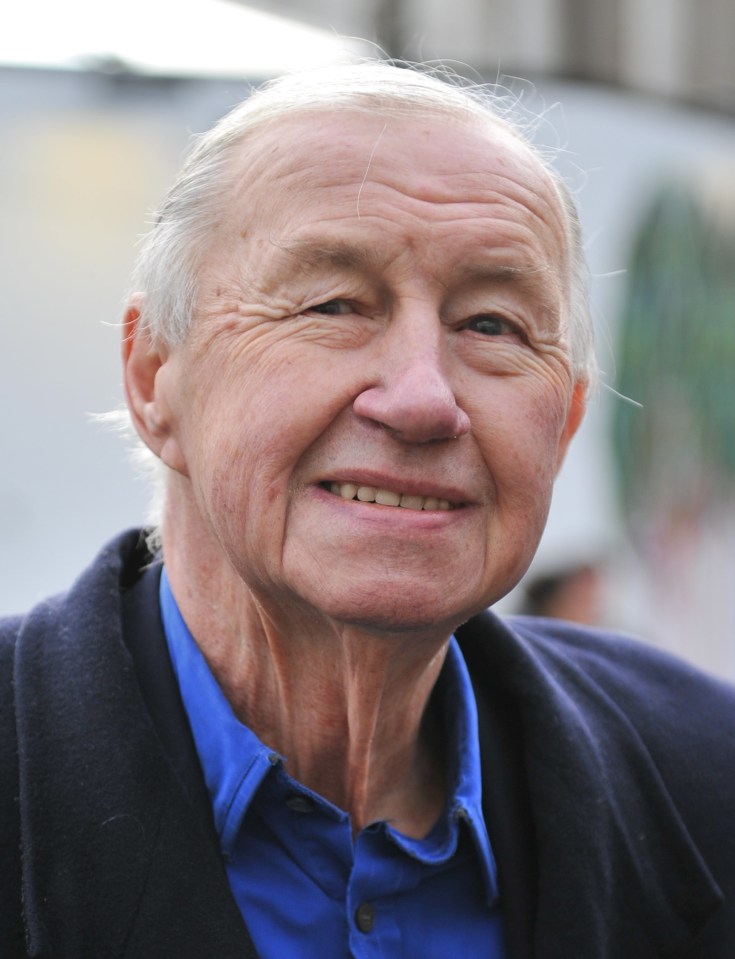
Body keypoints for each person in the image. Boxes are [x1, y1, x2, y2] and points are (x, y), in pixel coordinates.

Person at [1, 60, 734, 959]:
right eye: (334, 303)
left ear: (566, 418)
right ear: (156, 376)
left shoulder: (704, 777)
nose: (422, 398)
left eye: (492, 325)